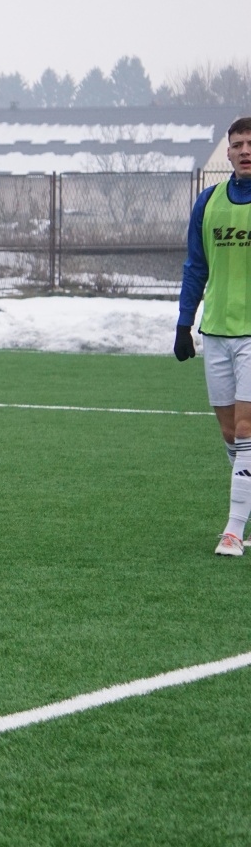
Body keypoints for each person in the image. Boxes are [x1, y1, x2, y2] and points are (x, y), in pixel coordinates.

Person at [174, 116, 251, 557]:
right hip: (217, 332)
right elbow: (195, 266)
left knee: (246, 427)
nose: (245, 151)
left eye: (250, 143)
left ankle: (234, 530)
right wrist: (184, 323)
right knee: (229, 433)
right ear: (228, 152)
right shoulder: (208, 202)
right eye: (237, 144)